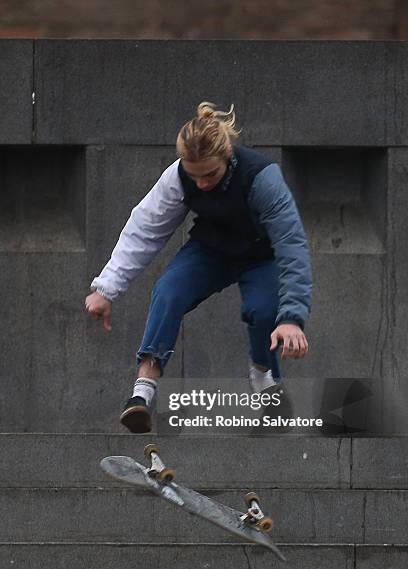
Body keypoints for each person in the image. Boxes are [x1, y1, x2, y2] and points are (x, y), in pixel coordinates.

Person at [85, 101, 312, 433]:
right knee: (168, 290)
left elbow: (292, 246)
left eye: (210, 174)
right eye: (195, 176)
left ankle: (263, 378)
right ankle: (142, 392)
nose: (202, 183)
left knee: (264, 311)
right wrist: (106, 288)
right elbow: (145, 229)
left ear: (227, 157)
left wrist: (292, 318)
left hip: (261, 256)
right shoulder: (178, 176)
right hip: (211, 249)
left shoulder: (262, 178)